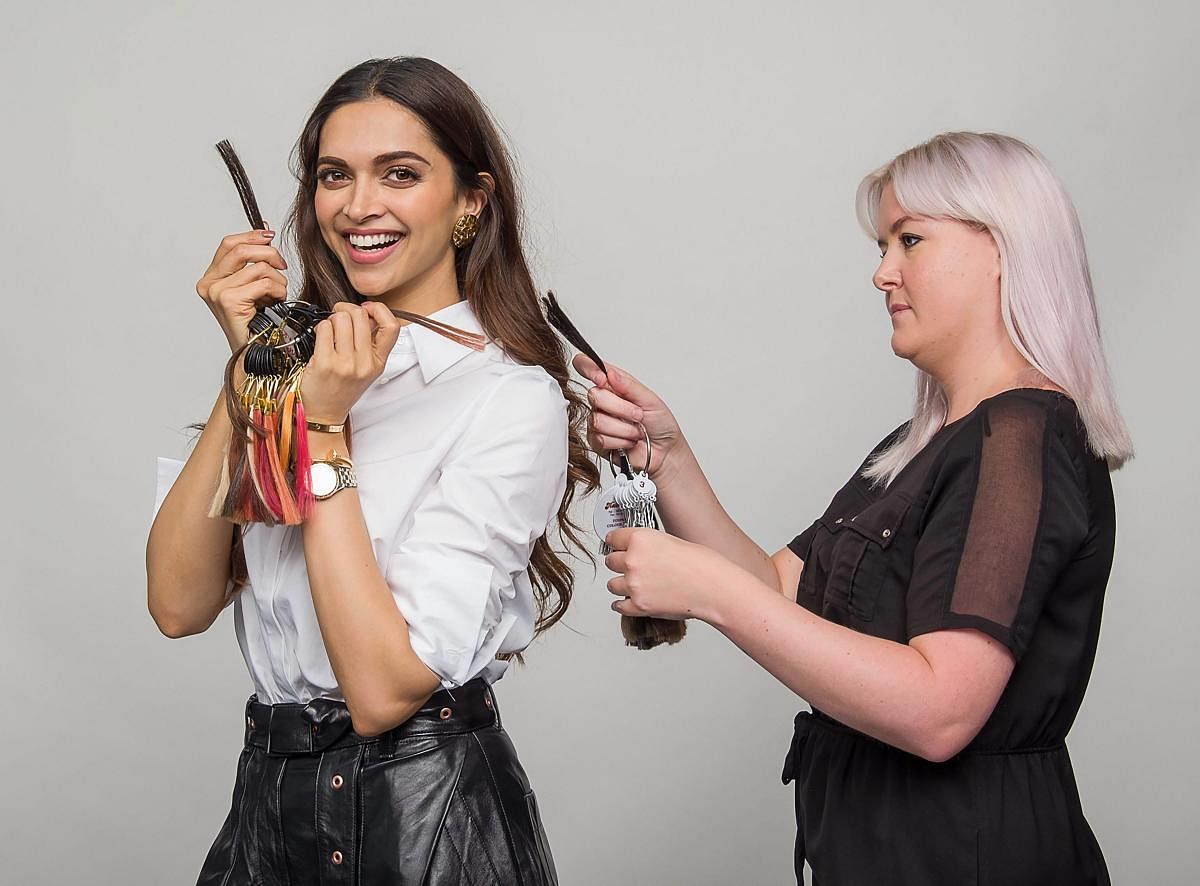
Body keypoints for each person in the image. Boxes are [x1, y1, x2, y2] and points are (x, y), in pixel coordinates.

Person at [582, 131, 1130, 885]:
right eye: (882, 245)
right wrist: (667, 460)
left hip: (966, 859)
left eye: (910, 240)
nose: (882, 273)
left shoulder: (1020, 440)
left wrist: (709, 593)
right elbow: (779, 587)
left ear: (1002, 246)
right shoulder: (923, 443)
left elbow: (942, 711)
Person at [147, 56, 595, 885]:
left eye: (400, 174)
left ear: (471, 201)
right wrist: (255, 370)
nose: (359, 206)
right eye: (333, 176)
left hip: (421, 816)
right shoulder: (305, 367)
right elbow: (177, 605)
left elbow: (384, 691)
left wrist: (319, 430)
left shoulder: (506, 399)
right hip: (269, 804)